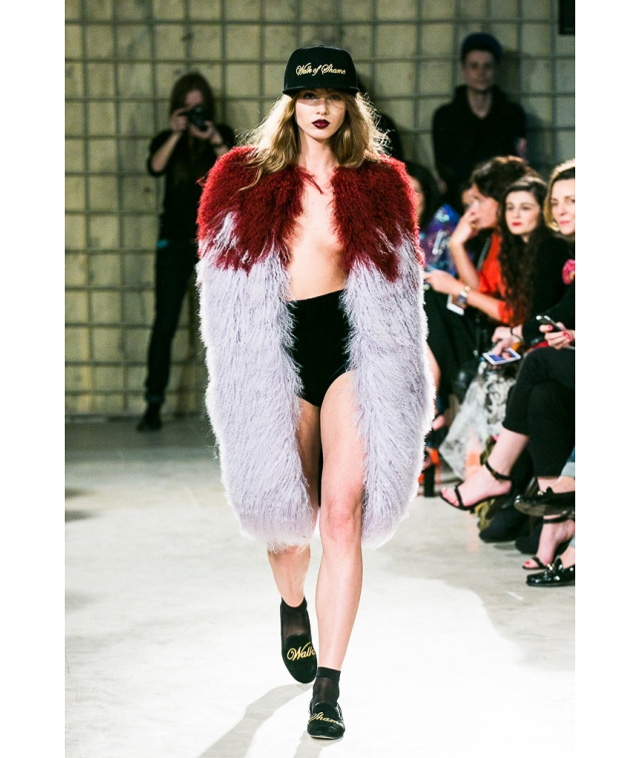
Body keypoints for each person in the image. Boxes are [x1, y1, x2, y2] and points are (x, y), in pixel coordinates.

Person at [196, 45, 432, 740]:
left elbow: (402, 289)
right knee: (286, 525)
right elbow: (220, 284)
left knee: (341, 514)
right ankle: (293, 605)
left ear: (350, 104)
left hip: (355, 349)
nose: (321, 108)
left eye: (333, 96)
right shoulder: (244, 178)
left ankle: (328, 686)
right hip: (275, 352)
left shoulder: (379, 184)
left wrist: (414, 364)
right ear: (291, 104)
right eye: (308, 96)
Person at [437, 174, 572, 480]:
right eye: (510, 207)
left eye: (525, 208)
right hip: (527, 336)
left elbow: (521, 313)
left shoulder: (550, 247)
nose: (515, 215)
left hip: (541, 339)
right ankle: (499, 479)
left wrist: (460, 289)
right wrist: (457, 245)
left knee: (512, 376)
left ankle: (499, 478)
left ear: (541, 213)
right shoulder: (512, 247)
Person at [137, 72, 235, 431]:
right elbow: (155, 167)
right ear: (177, 109)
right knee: (165, 322)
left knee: (225, 325)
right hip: (174, 242)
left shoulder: (220, 135)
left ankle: (232, 405)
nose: (195, 113)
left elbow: (235, 174)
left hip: (213, 244)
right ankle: (153, 404)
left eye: (200, 107)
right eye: (188, 107)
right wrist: (177, 133)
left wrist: (213, 139)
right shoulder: (168, 139)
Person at [422, 156, 535, 420]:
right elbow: (481, 294)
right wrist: (456, 245)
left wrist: (457, 289)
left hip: (508, 336)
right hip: (486, 330)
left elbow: (514, 312)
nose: (472, 211)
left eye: (479, 201)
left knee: (433, 300)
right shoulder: (495, 238)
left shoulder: (521, 243)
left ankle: (432, 403)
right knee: (430, 296)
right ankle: (433, 401)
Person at [433, 33, 527, 212]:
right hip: (459, 200)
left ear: (496, 70)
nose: (481, 73)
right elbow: (445, 166)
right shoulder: (445, 116)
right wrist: (465, 192)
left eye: (487, 66)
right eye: (474, 66)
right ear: (464, 70)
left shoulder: (512, 114)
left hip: (501, 199)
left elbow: (516, 162)